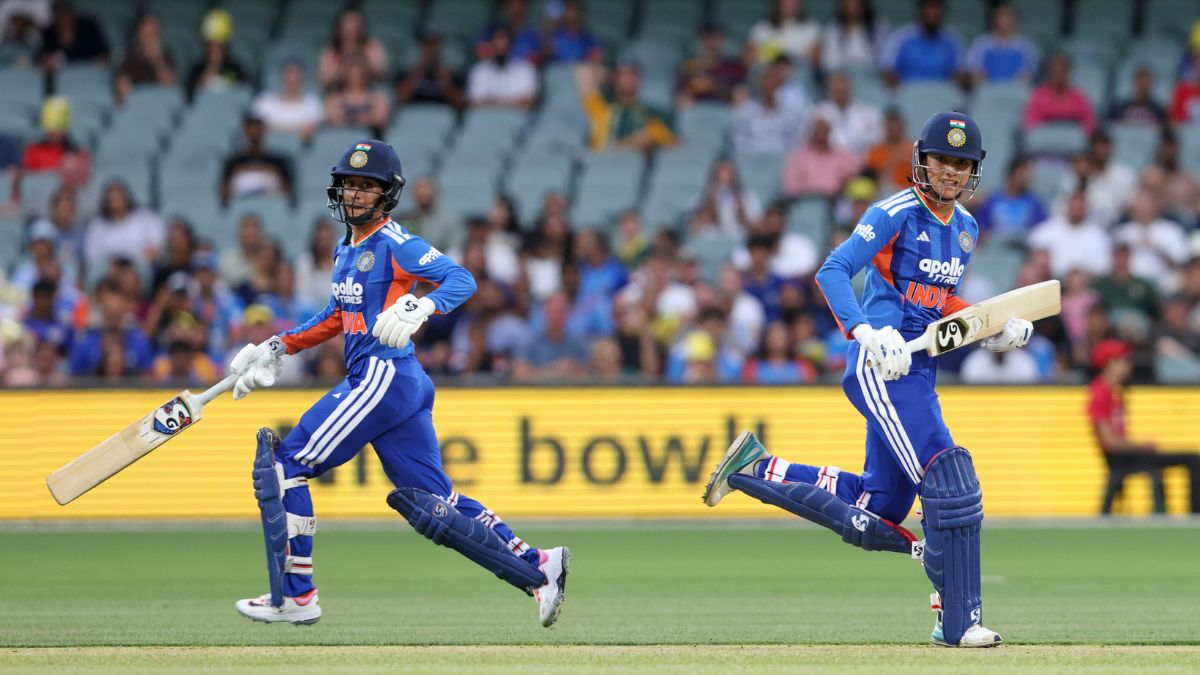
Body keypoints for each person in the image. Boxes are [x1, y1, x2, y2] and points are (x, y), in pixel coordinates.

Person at [703, 112, 1015, 648]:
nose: (949, 172)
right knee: (947, 480)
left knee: (879, 509)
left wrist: (992, 325)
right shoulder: (893, 212)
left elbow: (942, 303)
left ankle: (756, 469)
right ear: (922, 159)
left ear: (973, 173)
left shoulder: (966, 229)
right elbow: (833, 269)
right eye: (942, 160)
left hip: (919, 367)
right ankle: (956, 620)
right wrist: (866, 331)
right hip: (880, 366)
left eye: (961, 164)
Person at [229, 140, 568, 626]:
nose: (355, 194)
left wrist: (423, 305)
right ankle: (538, 563)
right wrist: (281, 345)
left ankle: (296, 594)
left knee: (284, 466)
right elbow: (337, 315)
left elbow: (461, 279)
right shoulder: (346, 247)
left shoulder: (395, 243)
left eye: (367, 186)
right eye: (349, 184)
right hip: (398, 382)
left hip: (382, 375)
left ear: (387, 194)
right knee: (440, 502)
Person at [1088, 339, 1200, 514]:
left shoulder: (1114, 392)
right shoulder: (1100, 393)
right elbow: (1110, 442)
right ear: (1110, 364)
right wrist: (1142, 445)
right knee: (1192, 459)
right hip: (1120, 458)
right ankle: (1195, 513)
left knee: (1187, 457)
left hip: (1125, 454)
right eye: (1124, 361)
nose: (1128, 366)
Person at [575, 61, 676, 151]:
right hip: (605, 162)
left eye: (632, 75)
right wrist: (611, 77)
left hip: (642, 162)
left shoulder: (653, 112)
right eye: (622, 75)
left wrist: (646, 138)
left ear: (640, 79)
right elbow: (583, 72)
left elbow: (675, 145)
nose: (627, 79)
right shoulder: (601, 109)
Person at [881, 0, 965, 86]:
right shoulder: (901, 38)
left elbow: (958, 76)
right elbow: (888, 72)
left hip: (942, 96)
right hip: (907, 96)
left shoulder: (953, 41)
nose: (932, 13)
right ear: (921, 10)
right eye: (929, 7)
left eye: (936, 8)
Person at [1022, 52, 1096, 135]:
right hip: (1045, 143)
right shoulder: (1038, 95)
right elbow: (1030, 124)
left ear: (1068, 72)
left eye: (1062, 70)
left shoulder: (1079, 97)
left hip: (1072, 144)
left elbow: (1089, 125)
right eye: (1054, 71)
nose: (1058, 74)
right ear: (1048, 73)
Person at [466, 25, 538, 109]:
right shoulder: (479, 70)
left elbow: (527, 104)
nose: (501, 46)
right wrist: (514, 102)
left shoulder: (526, 69)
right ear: (491, 44)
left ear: (511, 44)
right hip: (487, 119)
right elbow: (474, 104)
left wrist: (491, 102)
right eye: (497, 41)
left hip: (516, 120)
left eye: (504, 41)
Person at [965, 2, 1038, 85]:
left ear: (1015, 20)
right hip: (988, 87)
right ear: (994, 20)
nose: (1004, 20)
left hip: (1016, 88)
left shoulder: (1026, 46)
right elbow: (972, 69)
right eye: (1001, 16)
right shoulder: (980, 44)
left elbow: (1029, 72)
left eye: (1008, 16)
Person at [252, 61, 324, 141]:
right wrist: (298, 128)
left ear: (302, 78)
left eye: (296, 75)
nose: (292, 79)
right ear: (282, 77)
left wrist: (274, 127)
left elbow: (312, 128)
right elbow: (258, 128)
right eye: (289, 74)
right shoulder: (264, 101)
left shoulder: (312, 103)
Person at [317, 8, 387, 90]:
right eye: (348, 22)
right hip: (338, 94)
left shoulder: (371, 45)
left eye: (355, 22)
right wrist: (344, 63)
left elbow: (382, 73)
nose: (351, 27)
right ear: (340, 26)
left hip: (368, 92)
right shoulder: (331, 49)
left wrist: (361, 56)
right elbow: (324, 81)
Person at [118, 14, 176, 86]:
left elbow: (170, 85)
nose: (149, 40)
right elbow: (121, 87)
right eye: (146, 34)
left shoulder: (166, 56)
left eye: (153, 34)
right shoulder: (129, 59)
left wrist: (157, 61)